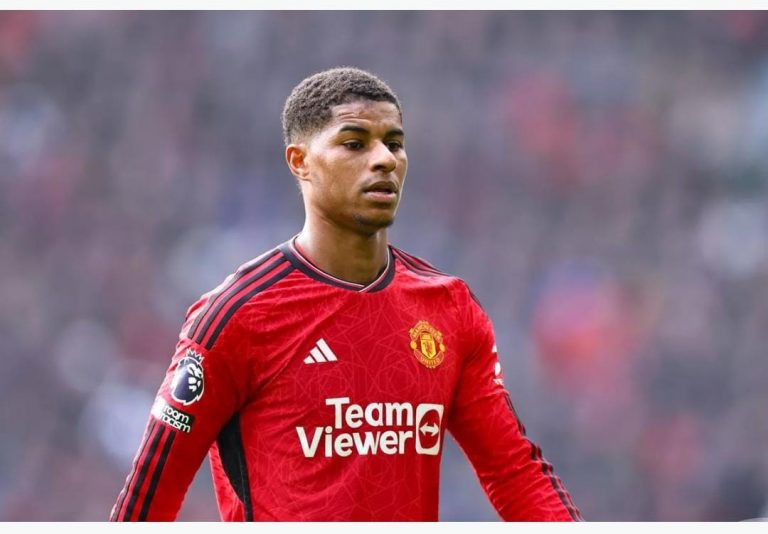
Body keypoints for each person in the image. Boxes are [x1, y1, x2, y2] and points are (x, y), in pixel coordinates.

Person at [110, 66, 581, 522]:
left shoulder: (449, 307)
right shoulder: (238, 316)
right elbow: (148, 499)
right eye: (355, 143)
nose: (384, 159)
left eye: (394, 143)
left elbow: (515, 473)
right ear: (300, 162)